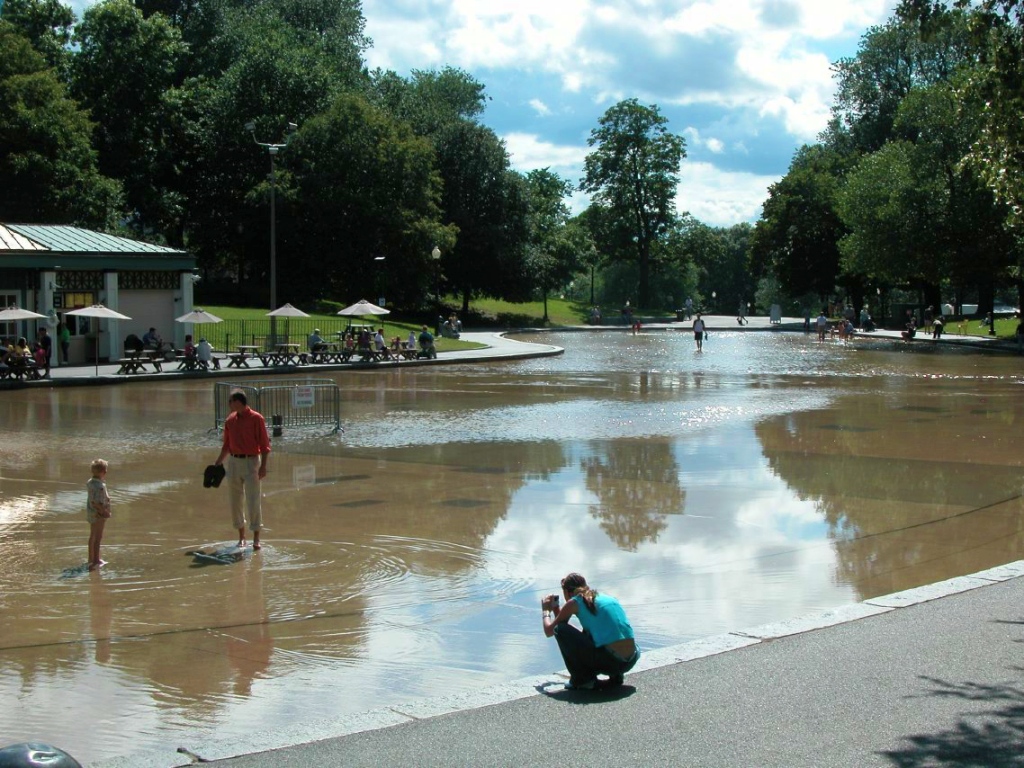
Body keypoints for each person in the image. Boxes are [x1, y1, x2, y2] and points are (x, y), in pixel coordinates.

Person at [541, 572, 639, 691]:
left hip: (611, 662)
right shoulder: (606, 598)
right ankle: (616, 676)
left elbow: (550, 631)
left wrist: (546, 611)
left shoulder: (575, 602)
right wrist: (557, 610)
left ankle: (582, 680)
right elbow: (578, 634)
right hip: (631, 660)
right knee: (595, 632)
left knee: (560, 630)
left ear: (567, 592)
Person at [214, 391, 271, 550]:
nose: (229, 405)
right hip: (233, 461)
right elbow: (226, 445)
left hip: (251, 461)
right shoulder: (230, 420)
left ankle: (256, 538)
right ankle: (241, 536)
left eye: (231, 401)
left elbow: (265, 445)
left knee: (253, 500)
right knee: (235, 501)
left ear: (239, 402)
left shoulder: (256, 418)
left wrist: (263, 466)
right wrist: (217, 463)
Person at [86, 458, 112, 569]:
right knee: (98, 537)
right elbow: (97, 502)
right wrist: (104, 512)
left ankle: (90, 558)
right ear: (103, 472)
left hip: (91, 512)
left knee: (92, 536)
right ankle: (96, 560)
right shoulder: (100, 486)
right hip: (98, 514)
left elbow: (92, 500)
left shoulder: (90, 482)